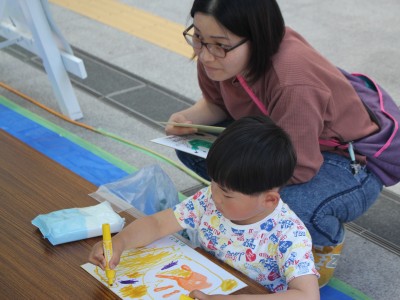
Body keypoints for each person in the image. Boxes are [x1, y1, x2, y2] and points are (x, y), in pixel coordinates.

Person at [164, 0, 383, 287]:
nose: (205, 55)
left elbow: (301, 166)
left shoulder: (293, 80)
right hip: (277, 136)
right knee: (193, 148)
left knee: (294, 205)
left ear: (256, 38)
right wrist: (186, 118)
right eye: (198, 38)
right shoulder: (218, 54)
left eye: (218, 44)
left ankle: (320, 241)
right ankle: (243, 208)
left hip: (344, 160)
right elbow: (218, 104)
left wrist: (244, 187)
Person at [89, 116, 320, 299]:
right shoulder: (209, 199)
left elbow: (307, 295)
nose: (215, 196)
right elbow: (158, 223)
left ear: (268, 200)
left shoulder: (289, 234)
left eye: (227, 194)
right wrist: (120, 243)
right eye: (213, 184)